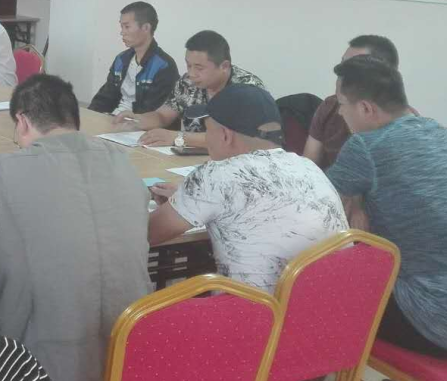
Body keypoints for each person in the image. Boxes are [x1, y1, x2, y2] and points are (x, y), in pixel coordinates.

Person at [0, 74, 151, 381]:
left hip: (39, 379)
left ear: (22, 121)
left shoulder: (11, 169)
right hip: (129, 363)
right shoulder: (124, 163)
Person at [148, 84, 347, 294]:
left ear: (225, 135)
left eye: (208, 130)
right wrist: (186, 200)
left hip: (260, 310)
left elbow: (145, 236)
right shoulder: (308, 167)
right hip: (329, 306)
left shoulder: (215, 176)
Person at [326, 55, 447, 358]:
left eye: (342, 104)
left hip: (430, 317)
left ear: (366, 108)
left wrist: (356, 203)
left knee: (318, 290)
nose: (340, 112)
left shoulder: (366, 146)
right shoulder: (438, 132)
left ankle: (307, 377)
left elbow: (316, 203)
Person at [124, 30, 265, 149]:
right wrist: (136, 121)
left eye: (199, 68)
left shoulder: (248, 89)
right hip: (187, 161)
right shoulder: (187, 83)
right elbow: (162, 116)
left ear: (224, 66)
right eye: (188, 65)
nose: (191, 74)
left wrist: (179, 138)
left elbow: (238, 138)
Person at [304, 35, 400, 170]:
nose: (341, 75)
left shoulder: (403, 126)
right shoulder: (330, 106)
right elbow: (308, 168)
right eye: (342, 65)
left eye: (353, 69)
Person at [88, 1, 180, 117]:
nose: (122, 32)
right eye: (121, 27)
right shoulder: (121, 59)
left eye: (127, 27)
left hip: (138, 123)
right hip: (114, 118)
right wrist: (90, 115)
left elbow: (153, 112)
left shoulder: (164, 66)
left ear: (146, 28)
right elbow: (106, 96)